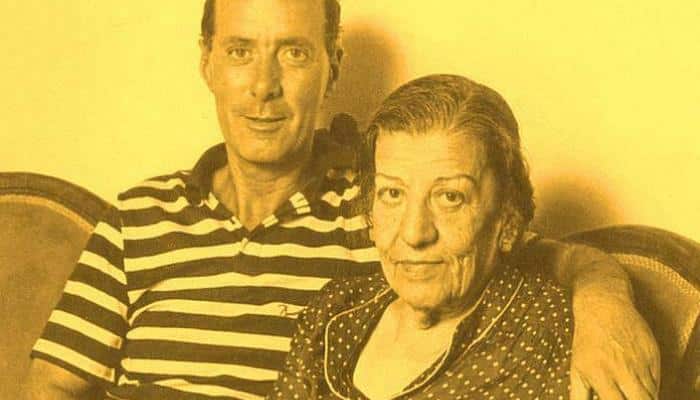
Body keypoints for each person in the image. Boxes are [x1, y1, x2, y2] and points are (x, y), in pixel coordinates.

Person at [22, 1, 658, 399]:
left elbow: (526, 253)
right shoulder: (136, 218)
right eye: (240, 52)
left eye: (294, 53)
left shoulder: (382, 211)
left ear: (333, 65)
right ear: (207, 63)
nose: (263, 86)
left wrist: (605, 305)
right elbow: (48, 387)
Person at [269, 74, 596, 399]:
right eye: (393, 193)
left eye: (450, 197)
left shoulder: (551, 334)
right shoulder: (333, 311)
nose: (414, 233)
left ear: (507, 219)